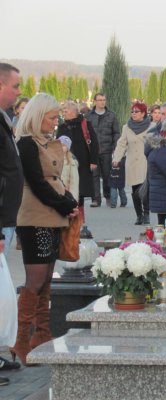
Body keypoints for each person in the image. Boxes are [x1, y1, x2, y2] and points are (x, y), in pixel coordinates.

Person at [13, 93, 79, 365]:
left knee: (47, 280)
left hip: (52, 214)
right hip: (35, 216)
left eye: (57, 118)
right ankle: (19, 340)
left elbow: (55, 179)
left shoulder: (47, 142)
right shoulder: (27, 144)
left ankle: (42, 334)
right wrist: (64, 204)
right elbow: (38, 183)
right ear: (37, 116)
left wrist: (69, 202)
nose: (55, 123)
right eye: (51, 118)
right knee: (35, 281)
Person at [0, 62, 23, 379]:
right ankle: (32, 340)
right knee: (33, 283)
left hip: (12, 219)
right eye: (16, 86)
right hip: (39, 222)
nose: (19, 92)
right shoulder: (33, 143)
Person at [112, 102, 155, 225]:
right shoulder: (126, 127)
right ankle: (139, 215)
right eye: (132, 111)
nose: (133, 114)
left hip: (146, 162)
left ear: (143, 113)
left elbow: (155, 144)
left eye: (136, 112)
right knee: (135, 191)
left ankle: (146, 214)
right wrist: (116, 159)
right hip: (132, 163)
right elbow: (121, 144)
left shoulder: (152, 126)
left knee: (146, 189)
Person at [57, 101, 99, 223]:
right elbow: (56, 144)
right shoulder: (62, 126)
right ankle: (70, 217)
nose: (63, 113)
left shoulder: (85, 124)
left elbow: (94, 143)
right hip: (66, 164)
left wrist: (93, 161)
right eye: (63, 110)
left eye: (66, 110)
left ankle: (80, 219)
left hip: (83, 163)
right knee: (67, 189)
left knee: (79, 191)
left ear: (73, 112)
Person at [86, 92, 120, 207]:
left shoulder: (111, 115)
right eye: (100, 100)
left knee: (106, 175)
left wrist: (115, 147)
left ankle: (108, 196)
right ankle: (96, 199)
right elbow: (85, 133)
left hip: (107, 150)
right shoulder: (88, 116)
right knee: (94, 176)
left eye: (104, 100)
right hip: (93, 151)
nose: (102, 102)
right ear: (95, 101)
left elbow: (116, 133)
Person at [59, 135, 79, 200]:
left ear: (68, 148)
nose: (61, 147)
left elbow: (74, 181)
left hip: (66, 192)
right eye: (60, 145)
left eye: (63, 145)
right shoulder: (53, 158)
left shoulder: (71, 162)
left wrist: (73, 198)